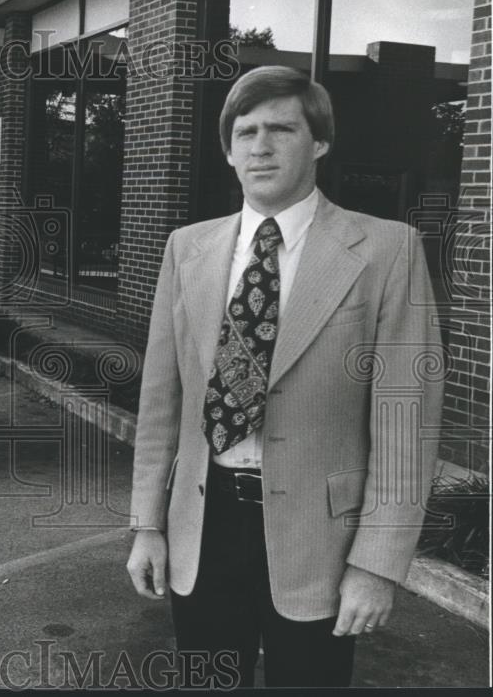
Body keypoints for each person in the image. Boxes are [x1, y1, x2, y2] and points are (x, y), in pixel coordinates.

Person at [125, 66, 442, 688]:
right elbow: (161, 406)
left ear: (319, 142)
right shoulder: (185, 249)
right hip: (203, 524)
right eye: (245, 132)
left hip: (319, 541)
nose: (260, 146)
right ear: (228, 150)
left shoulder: (386, 250)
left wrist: (377, 565)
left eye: (281, 129)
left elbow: (406, 427)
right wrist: (147, 526)